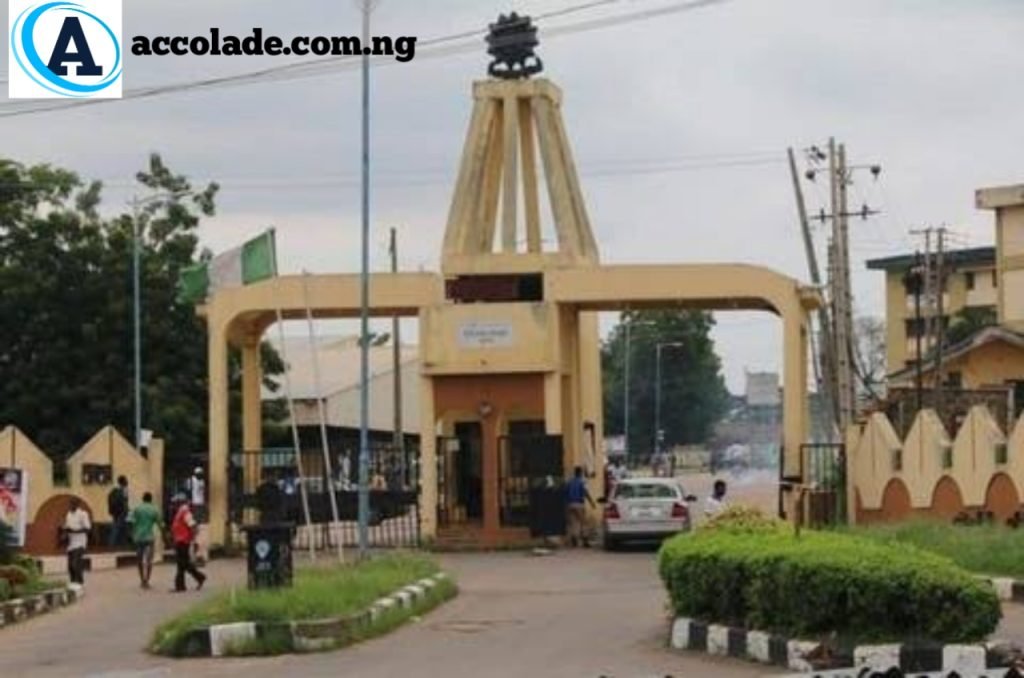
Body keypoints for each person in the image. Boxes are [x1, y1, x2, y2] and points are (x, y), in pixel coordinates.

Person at [170, 494, 206, 592]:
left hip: (183, 541)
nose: (173, 505)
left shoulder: (185, 511)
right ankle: (198, 578)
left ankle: (181, 586)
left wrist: (194, 540)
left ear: (180, 503)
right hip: (180, 540)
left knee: (181, 564)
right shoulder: (181, 512)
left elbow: (193, 525)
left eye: (175, 503)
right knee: (183, 564)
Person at [129, 491, 163, 589]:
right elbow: (160, 524)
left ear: (142, 499)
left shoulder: (137, 508)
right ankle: (147, 580)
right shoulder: (154, 509)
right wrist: (165, 537)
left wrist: (132, 533)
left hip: (138, 538)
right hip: (149, 538)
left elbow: (130, 521)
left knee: (139, 560)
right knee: (149, 561)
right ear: (150, 499)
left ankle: (142, 580)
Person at [565, 466, 596, 548]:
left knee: (574, 523)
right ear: (580, 473)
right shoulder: (581, 482)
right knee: (584, 522)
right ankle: (585, 540)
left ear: (575, 473)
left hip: (570, 504)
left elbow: (565, 493)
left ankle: (574, 539)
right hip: (579, 504)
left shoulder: (570, 482)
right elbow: (585, 493)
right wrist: (592, 502)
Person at [63, 498, 91, 586]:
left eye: (73, 504)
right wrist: (65, 532)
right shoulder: (68, 514)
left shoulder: (83, 514)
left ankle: (79, 583)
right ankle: (73, 583)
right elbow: (67, 527)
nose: (71, 506)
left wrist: (74, 531)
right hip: (71, 543)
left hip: (80, 542)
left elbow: (87, 529)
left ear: (77, 505)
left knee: (75, 563)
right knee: (70, 566)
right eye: (70, 504)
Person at [185, 467, 208, 565]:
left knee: (199, 526)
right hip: (195, 504)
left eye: (201, 474)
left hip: (200, 504)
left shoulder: (202, 481)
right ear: (195, 474)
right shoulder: (191, 480)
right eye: (198, 474)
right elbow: (188, 491)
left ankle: (198, 554)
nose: (200, 476)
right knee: (195, 525)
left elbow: (204, 493)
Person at [107, 475, 129, 547]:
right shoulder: (123, 491)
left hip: (115, 512)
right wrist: (126, 510)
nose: (127, 482)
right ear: (123, 482)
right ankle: (112, 543)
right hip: (121, 512)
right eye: (126, 480)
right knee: (117, 527)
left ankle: (122, 543)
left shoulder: (114, 491)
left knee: (122, 527)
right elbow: (124, 502)